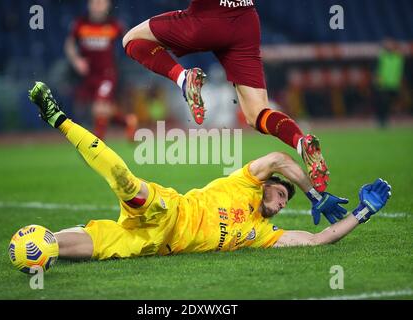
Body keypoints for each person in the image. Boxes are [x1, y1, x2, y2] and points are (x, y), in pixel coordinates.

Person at [28, 82, 391, 260]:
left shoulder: (261, 233)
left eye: (284, 204)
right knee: (126, 181)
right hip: (167, 209)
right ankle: (59, 119)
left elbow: (316, 240)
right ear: (267, 186)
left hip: (154, 244)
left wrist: (363, 212)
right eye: (281, 194)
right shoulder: (245, 182)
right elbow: (279, 160)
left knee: (96, 247)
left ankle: (39, 245)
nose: (281, 204)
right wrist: (314, 194)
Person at [121, 0, 330, 192]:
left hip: (207, 18)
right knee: (258, 114)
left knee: (131, 39)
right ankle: (301, 142)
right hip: (245, 22)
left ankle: (184, 78)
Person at [65, 0, 137, 139]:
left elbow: (129, 39)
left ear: (108, 5)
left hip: (107, 74)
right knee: (102, 110)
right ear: (89, 4)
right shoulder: (81, 24)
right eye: (95, 2)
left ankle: (97, 144)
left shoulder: (114, 25)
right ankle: (127, 121)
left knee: (98, 107)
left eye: (102, 2)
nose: (98, 5)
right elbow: (70, 45)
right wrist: (77, 61)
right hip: (89, 75)